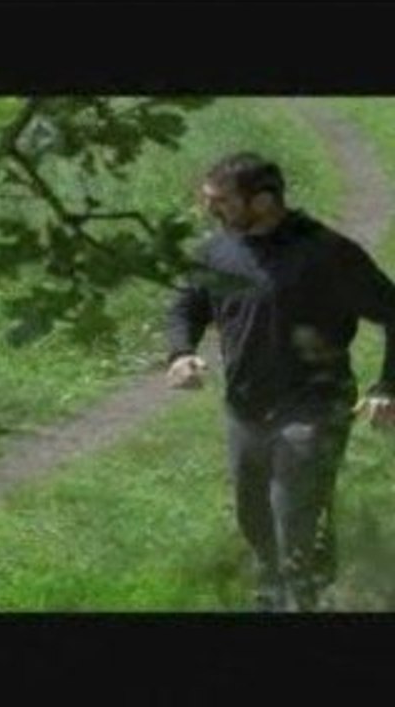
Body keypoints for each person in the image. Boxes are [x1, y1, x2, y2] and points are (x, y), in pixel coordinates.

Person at [165, 152, 395, 611]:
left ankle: (302, 599)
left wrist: (387, 386)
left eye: (222, 201)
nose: (212, 210)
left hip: (315, 404)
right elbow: (186, 305)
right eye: (209, 201)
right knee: (254, 513)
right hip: (244, 406)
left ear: (264, 200)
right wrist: (182, 352)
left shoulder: (328, 253)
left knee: (293, 510)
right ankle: (276, 592)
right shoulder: (217, 250)